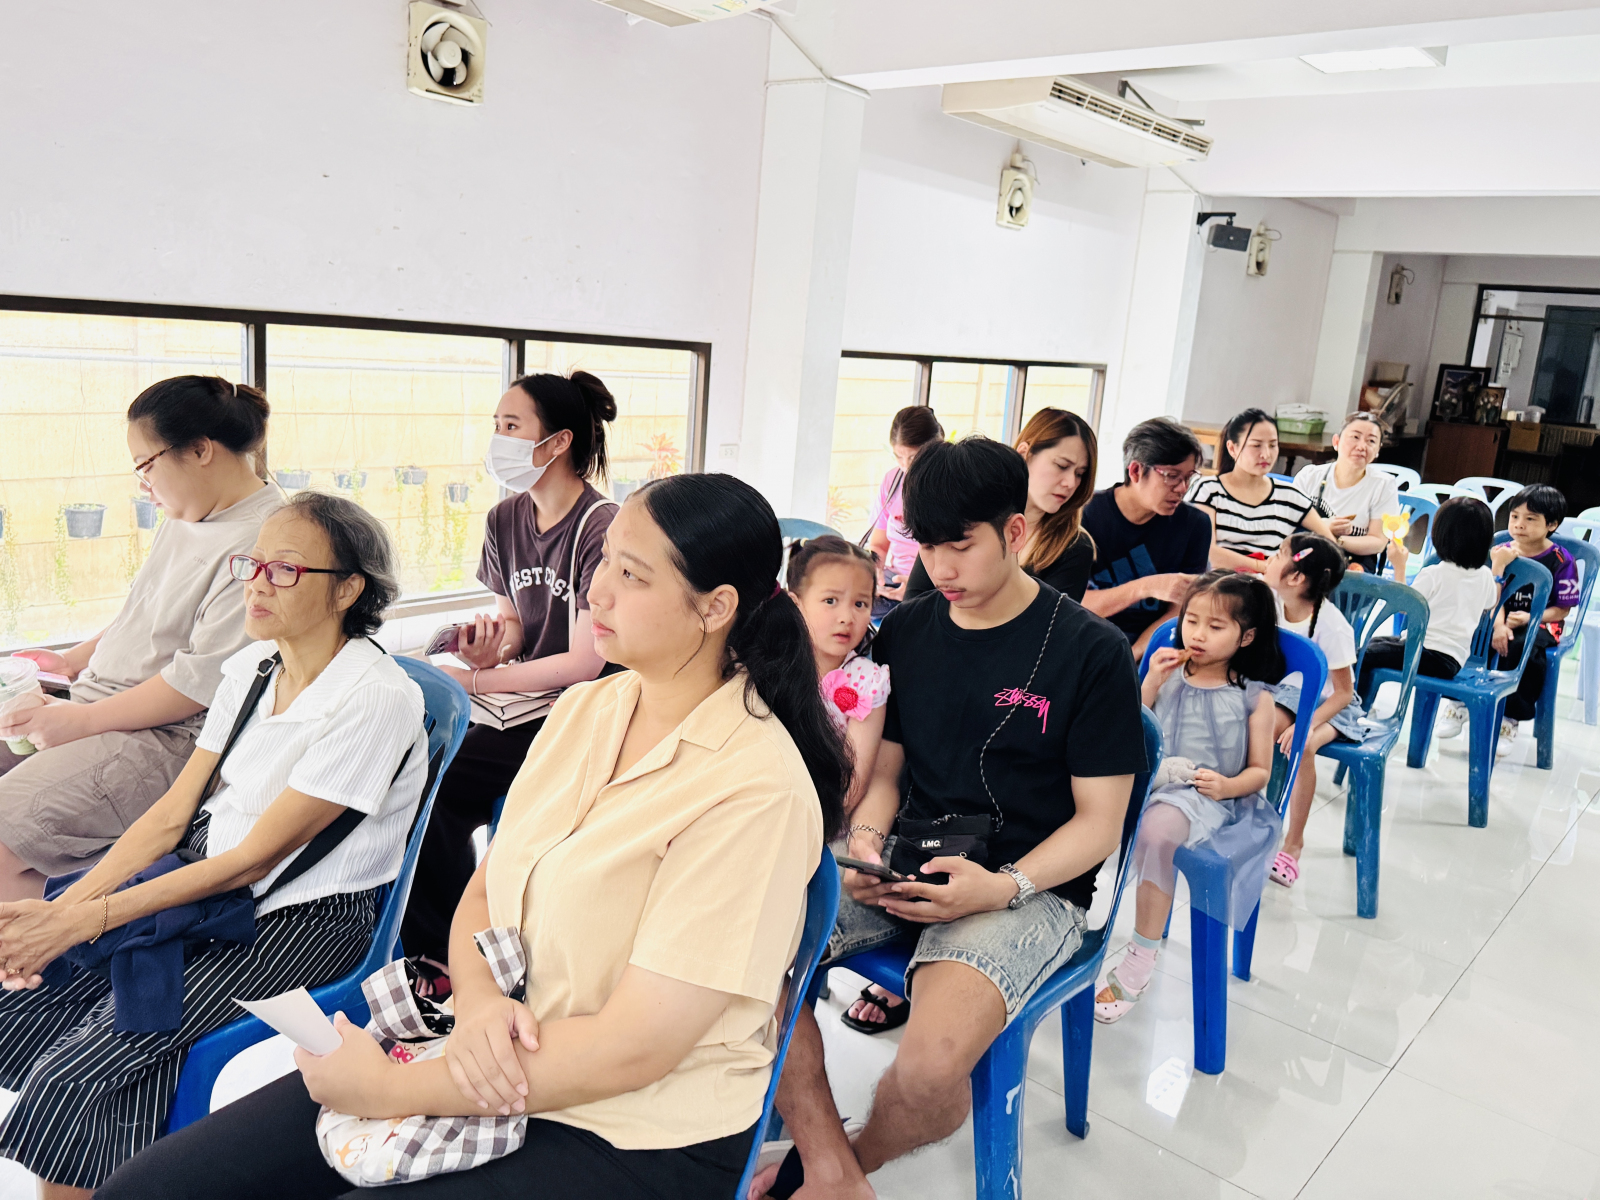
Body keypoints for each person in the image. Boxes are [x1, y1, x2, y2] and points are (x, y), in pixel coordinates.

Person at [100, 473, 845, 1200]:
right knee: (148, 1189)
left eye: (632, 575)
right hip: (481, 1047)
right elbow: (489, 887)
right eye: (604, 561)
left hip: (624, 1129)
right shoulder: (589, 710)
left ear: (716, 607)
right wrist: (483, 1001)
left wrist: (391, 1089)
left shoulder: (755, 790)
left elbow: (635, 1048)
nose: (597, 593)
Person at [0, 493, 426, 1198]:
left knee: (77, 1076)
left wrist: (80, 921)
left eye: (284, 569)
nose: (255, 583)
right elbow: (172, 816)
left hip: (297, 919)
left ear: (348, 589)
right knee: (23, 1010)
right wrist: (64, 910)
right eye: (250, 563)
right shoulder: (254, 668)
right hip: (204, 880)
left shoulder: (375, 699)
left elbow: (254, 861)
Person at [753, 437, 1145, 1199]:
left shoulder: (1091, 653)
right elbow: (887, 772)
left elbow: (1101, 824)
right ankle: (828, 1170)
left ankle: (842, 1164)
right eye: (927, 546)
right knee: (740, 956)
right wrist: (867, 844)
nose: (940, 568)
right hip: (902, 861)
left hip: (1026, 887)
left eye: (960, 546)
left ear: (1015, 531)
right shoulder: (907, 630)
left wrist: (999, 887)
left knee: (931, 1071)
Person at [0, 376, 284, 902]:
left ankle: (83, 931)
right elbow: (146, 611)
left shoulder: (265, 541)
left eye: (145, 465)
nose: (142, 484)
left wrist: (79, 722)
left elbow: (197, 684)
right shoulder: (190, 513)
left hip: (169, 735)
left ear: (200, 450)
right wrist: (72, 662)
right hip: (100, 701)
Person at [401, 370, 618, 974]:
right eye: (496, 425)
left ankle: (447, 955)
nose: (498, 439)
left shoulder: (601, 527)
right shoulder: (504, 520)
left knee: (440, 787)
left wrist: (474, 682)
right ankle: (434, 941)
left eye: (512, 426)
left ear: (558, 442)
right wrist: (489, 650)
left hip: (577, 711)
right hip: (519, 700)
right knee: (414, 766)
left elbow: (584, 663)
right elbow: (517, 623)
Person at [1094, 572, 1283, 1022]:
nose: (1196, 634)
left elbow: (1259, 771)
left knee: (1156, 832)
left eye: (1215, 627)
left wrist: (1227, 786)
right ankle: (1063, 923)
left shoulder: (1254, 698)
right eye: (1191, 620)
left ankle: (1140, 957)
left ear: (1247, 636)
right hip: (1154, 779)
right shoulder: (1168, 672)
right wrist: (1150, 684)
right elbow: (1132, 730)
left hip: (1208, 797)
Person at [904, 406, 1099, 602]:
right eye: (1061, 466)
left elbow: (1050, 619)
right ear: (1024, 453)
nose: (1071, 483)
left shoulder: (1075, 548)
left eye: (1079, 474)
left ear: (1016, 533)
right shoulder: (965, 507)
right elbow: (915, 601)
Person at [1258, 534, 1361, 890]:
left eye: (1278, 554)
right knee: (1254, 723)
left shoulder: (1332, 626)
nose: (1268, 560)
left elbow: (1343, 693)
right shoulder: (1271, 601)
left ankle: (1293, 845)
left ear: (1297, 577)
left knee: (1302, 746)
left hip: (1327, 704)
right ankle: (1247, 818)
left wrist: (1306, 724)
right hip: (1284, 693)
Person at [1361, 497, 1498, 742]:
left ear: (1441, 536)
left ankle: (1353, 711)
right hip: (1453, 660)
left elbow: (1404, 606)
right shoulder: (1486, 575)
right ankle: (1360, 705)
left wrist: (1399, 566)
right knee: (1375, 645)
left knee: (1364, 654)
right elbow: (1490, 603)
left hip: (1425, 654)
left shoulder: (1435, 573)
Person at [1081, 417, 1212, 659]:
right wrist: (1147, 587)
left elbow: (1179, 611)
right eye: (1172, 476)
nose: (1183, 488)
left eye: (1189, 477)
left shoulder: (1196, 525)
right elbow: (1073, 604)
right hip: (1087, 636)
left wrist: (1134, 655)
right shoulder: (1085, 515)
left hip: (1154, 644)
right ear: (1135, 471)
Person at [785, 536, 889, 815]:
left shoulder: (867, 682)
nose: (846, 617)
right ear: (795, 604)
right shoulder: (771, 666)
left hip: (825, 816)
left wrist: (817, 823)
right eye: (830, 601)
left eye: (860, 604)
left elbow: (854, 781)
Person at [1487, 485, 1579, 758]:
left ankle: (1510, 718)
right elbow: (1492, 595)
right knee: (1472, 635)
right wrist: (1499, 625)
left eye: (1530, 519)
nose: (1519, 524)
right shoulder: (1501, 552)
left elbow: (1562, 610)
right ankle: (1459, 703)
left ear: (1552, 525)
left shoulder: (1561, 560)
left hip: (1542, 623)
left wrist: (1530, 617)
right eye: (1515, 516)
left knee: (1521, 646)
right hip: (1498, 616)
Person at [1187, 408, 1335, 571]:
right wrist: (1263, 567)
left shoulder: (1290, 496)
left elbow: (1330, 548)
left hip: (1270, 585)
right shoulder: (1209, 490)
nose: (1266, 454)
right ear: (1232, 448)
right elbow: (1206, 552)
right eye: (1256, 445)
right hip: (1218, 583)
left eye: (1272, 445)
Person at [1291, 412, 1403, 572]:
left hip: (1355, 558)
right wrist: (1324, 526)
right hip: (1306, 550)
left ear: (1378, 450)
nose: (1362, 446)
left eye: (1371, 441)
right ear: (1336, 442)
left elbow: (1378, 542)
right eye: (1355, 437)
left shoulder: (1384, 485)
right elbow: (1289, 523)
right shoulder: (1309, 476)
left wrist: (1335, 540)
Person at [865, 406, 943, 618]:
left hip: (934, 587)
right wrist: (875, 571)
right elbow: (879, 545)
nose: (906, 466)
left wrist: (917, 587)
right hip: (894, 581)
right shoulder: (892, 481)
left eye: (914, 457)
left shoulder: (948, 488)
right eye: (899, 457)